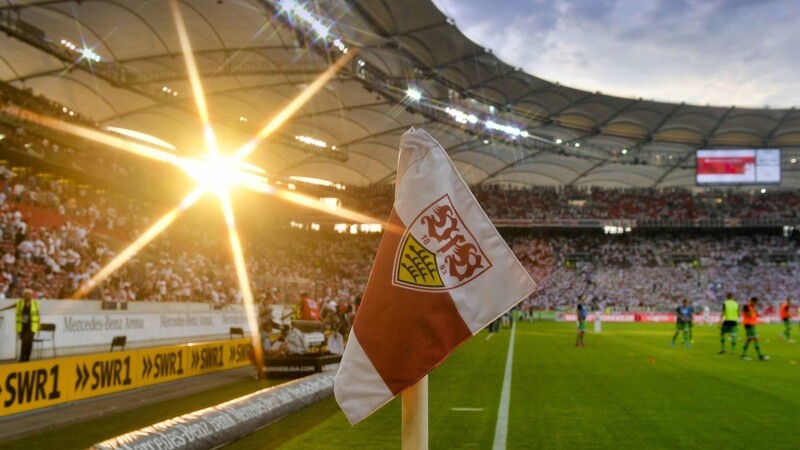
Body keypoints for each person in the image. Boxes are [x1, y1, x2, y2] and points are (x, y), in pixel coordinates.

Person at [14, 289, 40, 362]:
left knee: (29, 342)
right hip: (22, 326)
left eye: (29, 295)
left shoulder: (35, 303)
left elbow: (38, 314)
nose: (28, 296)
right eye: (26, 295)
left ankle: (27, 357)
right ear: (24, 296)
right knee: (24, 342)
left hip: (32, 326)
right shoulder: (19, 303)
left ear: (31, 296)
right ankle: (22, 357)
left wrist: (38, 324)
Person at [741, 296, 769, 361]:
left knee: (749, 340)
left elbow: (755, 313)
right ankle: (760, 355)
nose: (755, 304)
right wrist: (754, 309)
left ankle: (743, 354)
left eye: (756, 303)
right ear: (752, 301)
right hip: (748, 325)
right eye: (755, 303)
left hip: (752, 325)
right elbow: (748, 314)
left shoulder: (753, 307)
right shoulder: (746, 306)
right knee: (755, 338)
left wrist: (761, 315)